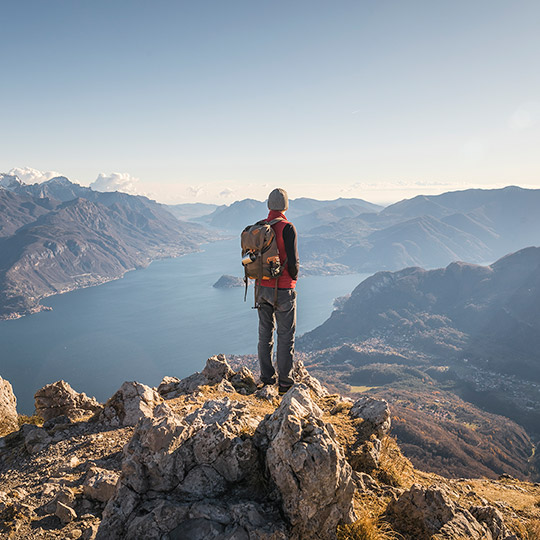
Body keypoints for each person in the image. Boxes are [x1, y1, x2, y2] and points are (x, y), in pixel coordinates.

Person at [257, 188, 299, 395]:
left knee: (265, 335)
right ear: (286, 206)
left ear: (269, 206)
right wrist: (294, 278)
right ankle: (284, 383)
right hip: (283, 290)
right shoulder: (287, 228)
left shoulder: (260, 228)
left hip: (261, 289)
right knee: (285, 337)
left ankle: (266, 379)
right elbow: (293, 263)